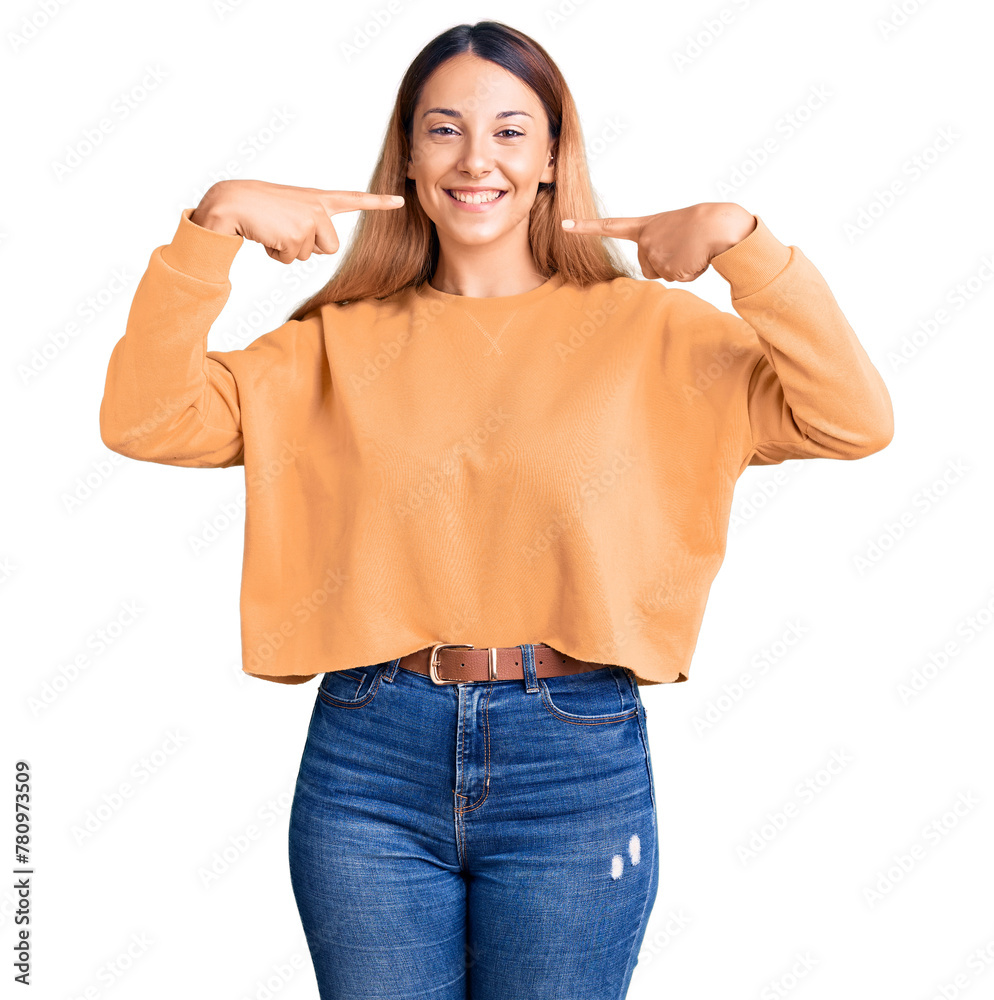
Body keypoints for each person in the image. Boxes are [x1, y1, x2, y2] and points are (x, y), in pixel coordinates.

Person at [97, 19, 894, 1000]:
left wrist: (743, 242)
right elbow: (142, 419)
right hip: (369, 760)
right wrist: (212, 223)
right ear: (409, 156)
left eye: (511, 130)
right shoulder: (332, 348)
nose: (477, 158)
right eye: (444, 129)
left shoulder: (655, 334)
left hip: (574, 759)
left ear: (555, 156)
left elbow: (853, 420)